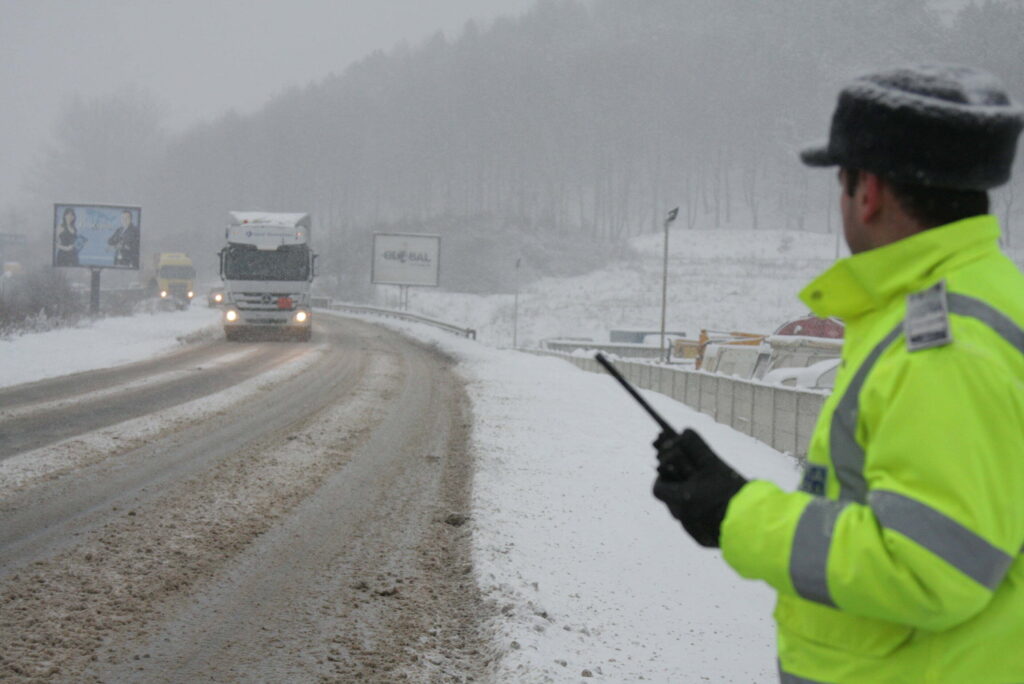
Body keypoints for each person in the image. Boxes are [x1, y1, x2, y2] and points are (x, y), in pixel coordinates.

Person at [652, 64, 1024, 682]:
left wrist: (738, 513)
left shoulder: (943, 345)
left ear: (868, 191)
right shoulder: (975, 301)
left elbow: (928, 566)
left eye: (842, 183)